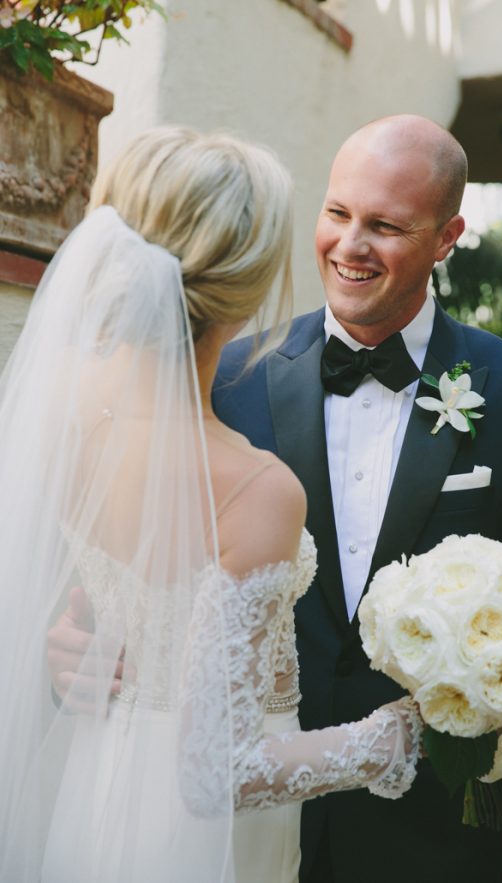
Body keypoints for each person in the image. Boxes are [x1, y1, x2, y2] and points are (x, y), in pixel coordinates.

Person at [47, 116, 502, 882]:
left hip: (429, 851)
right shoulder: (221, 379)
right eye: (337, 213)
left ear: (446, 238)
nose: (349, 245)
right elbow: (136, 585)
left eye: (385, 225)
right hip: (225, 842)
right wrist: (77, 653)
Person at [0, 127, 422, 883]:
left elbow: (93, 587)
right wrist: (389, 738)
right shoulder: (255, 487)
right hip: (198, 846)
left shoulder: (61, 413)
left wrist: (79, 634)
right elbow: (214, 770)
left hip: (91, 790)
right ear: (250, 285)